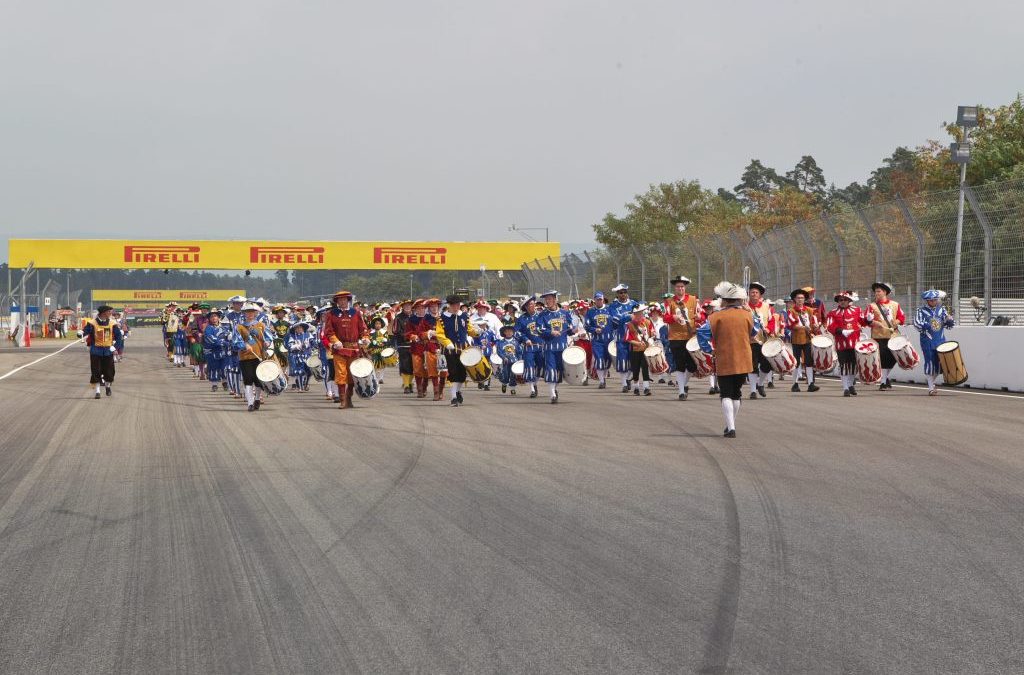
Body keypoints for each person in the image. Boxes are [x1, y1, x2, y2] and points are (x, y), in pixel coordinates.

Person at [697, 283, 756, 438]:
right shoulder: (747, 315)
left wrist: (709, 350)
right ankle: (731, 424)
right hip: (744, 358)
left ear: (724, 300)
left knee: (726, 393)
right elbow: (756, 330)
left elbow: (702, 334)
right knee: (737, 393)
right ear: (738, 300)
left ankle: (731, 427)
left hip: (724, 358)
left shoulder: (714, 317)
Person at [322, 290, 370, 409]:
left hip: (354, 348)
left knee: (352, 375)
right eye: (340, 300)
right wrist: (335, 341)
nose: (342, 302)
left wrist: (365, 338)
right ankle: (342, 400)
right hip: (339, 348)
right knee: (341, 374)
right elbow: (328, 331)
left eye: (344, 299)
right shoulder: (331, 314)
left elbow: (363, 329)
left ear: (348, 300)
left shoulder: (356, 313)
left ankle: (349, 398)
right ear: (337, 302)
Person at [437, 295, 479, 406]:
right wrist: (447, 343)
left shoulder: (464, 316)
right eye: (454, 305)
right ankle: (453, 397)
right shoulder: (442, 318)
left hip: (464, 348)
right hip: (450, 350)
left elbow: (469, 330)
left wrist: (477, 332)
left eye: (458, 305)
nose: (456, 307)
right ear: (449, 305)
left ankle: (457, 391)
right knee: (453, 372)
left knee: (462, 374)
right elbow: (439, 334)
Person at [231, 301, 272, 412]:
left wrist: (267, 342)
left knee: (258, 380)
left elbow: (269, 338)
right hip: (245, 357)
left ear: (256, 313)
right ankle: (250, 403)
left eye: (252, 312)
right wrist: (244, 345)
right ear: (244, 313)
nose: (250, 314)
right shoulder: (239, 327)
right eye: (247, 312)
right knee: (248, 379)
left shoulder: (261, 326)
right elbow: (235, 342)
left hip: (259, 356)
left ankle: (257, 399)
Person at [914, 289, 955, 396]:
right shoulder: (921, 311)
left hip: (940, 340)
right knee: (930, 362)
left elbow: (948, 325)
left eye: (935, 300)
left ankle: (931, 382)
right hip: (927, 340)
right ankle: (930, 387)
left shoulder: (942, 310)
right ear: (927, 301)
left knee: (941, 363)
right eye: (931, 300)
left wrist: (949, 320)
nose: (934, 302)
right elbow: (917, 324)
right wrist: (926, 325)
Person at [865, 281, 905, 390]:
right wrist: (871, 321)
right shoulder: (872, 306)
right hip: (879, 336)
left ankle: (885, 377)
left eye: (878, 291)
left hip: (893, 336)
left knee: (894, 359)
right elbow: (867, 321)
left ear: (885, 292)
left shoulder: (895, 304)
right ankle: (883, 382)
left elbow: (901, 318)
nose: (876, 293)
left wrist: (896, 322)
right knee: (882, 359)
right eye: (875, 292)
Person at [826, 291, 866, 397]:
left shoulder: (857, 310)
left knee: (853, 365)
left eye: (845, 300)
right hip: (841, 343)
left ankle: (850, 384)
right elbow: (830, 326)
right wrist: (841, 331)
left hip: (854, 343)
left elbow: (863, 322)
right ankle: (845, 388)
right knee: (843, 365)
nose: (842, 302)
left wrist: (869, 320)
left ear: (849, 301)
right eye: (840, 300)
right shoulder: (833, 313)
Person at [81, 305, 123, 399]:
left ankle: (108, 387)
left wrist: (115, 347)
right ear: (103, 313)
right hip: (96, 350)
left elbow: (119, 337)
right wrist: (81, 333)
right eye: (109, 312)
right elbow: (85, 331)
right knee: (96, 371)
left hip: (108, 351)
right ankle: (97, 391)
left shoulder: (112, 324)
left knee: (109, 372)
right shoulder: (92, 323)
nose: (111, 314)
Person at [786, 288, 820, 392]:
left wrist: (815, 326)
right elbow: (792, 325)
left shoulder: (810, 310)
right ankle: (795, 384)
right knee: (796, 362)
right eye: (798, 298)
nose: (800, 299)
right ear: (794, 300)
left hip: (807, 338)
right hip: (796, 339)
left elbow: (813, 323)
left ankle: (811, 383)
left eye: (802, 298)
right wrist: (804, 328)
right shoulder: (791, 311)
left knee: (809, 361)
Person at [746, 282, 776, 399]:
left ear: (760, 295)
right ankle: (753, 391)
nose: (754, 294)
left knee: (767, 365)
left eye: (756, 292)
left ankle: (760, 383)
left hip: (764, 341)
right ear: (749, 294)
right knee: (752, 366)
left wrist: (769, 329)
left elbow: (772, 320)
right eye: (752, 292)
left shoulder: (766, 306)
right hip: (750, 341)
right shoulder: (745, 307)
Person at [609, 284, 640, 392]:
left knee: (634, 361)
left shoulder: (634, 304)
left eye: (624, 292)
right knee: (622, 361)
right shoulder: (613, 306)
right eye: (620, 293)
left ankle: (627, 379)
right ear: (617, 294)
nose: (623, 294)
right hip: (621, 337)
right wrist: (628, 316)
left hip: (634, 337)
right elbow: (616, 320)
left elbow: (640, 317)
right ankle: (624, 384)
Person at [514, 297, 545, 398]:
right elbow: (517, 332)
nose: (532, 306)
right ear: (526, 307)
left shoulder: (541, 315)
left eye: (533, 303)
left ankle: (535, 383)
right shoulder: (521, 319)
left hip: (541, 346)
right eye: (530, 304)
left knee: (540, 366)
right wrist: (525, 339)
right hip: (529, 347)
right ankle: (532, 388)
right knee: (529, 366)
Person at [584, 292, 614, 388]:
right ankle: (601, 381)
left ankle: (603, 376)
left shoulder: (610, 309)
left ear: (603, 299)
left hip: (609, 339)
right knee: (599, 360)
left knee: (608, 361)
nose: (599, 301)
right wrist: (594, 330)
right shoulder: (591, 311)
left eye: (600, 299)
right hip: (597, 340)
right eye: (597, 299)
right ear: (595, 300)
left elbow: (616, 322)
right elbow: (587, 326)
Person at [624, 305, 655, 396]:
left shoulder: (648, 322)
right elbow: (627, 339)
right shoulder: (629, 325)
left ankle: (646, 388)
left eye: (641, 313)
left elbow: (652, 333)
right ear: (634, 314)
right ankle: (636, 387)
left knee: (645, 367)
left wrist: (651, 337)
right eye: (637, 313)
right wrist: (637, 343)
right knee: (635, 369)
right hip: (635, 349)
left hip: (646, 349)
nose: (639, 315)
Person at [202, 309, 232, 392]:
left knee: (224, 367)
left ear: (219, 318)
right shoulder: (208, 328)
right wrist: (222, 342)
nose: (214, 318)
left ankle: (225, 382)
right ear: (209, 319)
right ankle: (214, 384)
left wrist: (229, 339)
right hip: (212, 351)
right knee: (214, 368)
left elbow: (229, 336)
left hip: (223, 351)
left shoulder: (224, 327)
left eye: (215, 316)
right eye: (212, 317)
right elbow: (209, 338)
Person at [391, 299, 416, 394]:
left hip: (415, 344)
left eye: (409, 305)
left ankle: (410, 383)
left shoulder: (415, 317)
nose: (407, 307)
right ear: (402, 307)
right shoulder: (398, 318)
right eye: (405, 306)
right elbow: (395, 331)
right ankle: (406, 385)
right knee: (405, 366)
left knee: (414, 366)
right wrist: (407, 336)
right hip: (403, 345)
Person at [287, 321, 316, 392]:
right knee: (299, 371)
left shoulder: (308, 334)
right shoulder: (292, 336)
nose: (298, 329)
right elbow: (290, 346)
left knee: (309, 371)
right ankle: (300, 387)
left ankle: (306, 384)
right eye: (296, 328)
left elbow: (313, 343)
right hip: (297, 356)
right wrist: (298, 346)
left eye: (300, 327)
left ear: (303, 328)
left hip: (308, 355)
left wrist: (312, 344)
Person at [494, 322, 521, 395]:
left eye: (510, 331)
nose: (509, 333)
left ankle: (512, 388)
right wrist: (503, 357)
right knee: (505, 374)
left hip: (514, 361)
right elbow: (499, 351)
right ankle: (504, 384)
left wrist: (520, 360)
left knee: (513, 375)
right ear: (504, 333)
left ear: (513, 333)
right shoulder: (501, 342)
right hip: (506, 362)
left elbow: (519, 352)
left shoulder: (516, 342)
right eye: (507, 331)